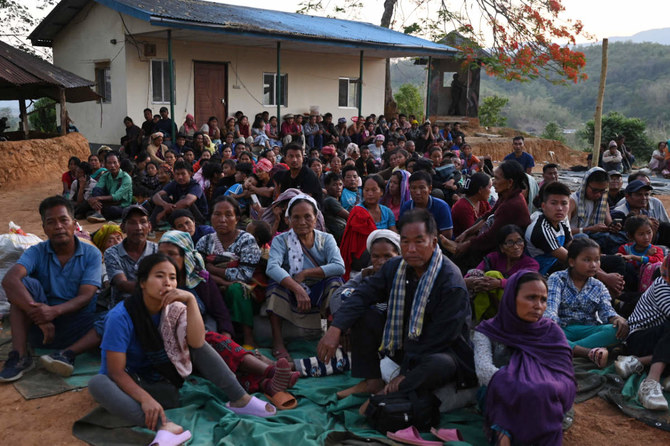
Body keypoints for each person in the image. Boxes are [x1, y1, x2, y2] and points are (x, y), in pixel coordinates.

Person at [87, 254, 276, 446]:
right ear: (142, 282)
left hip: (167, 381)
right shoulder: (120, 317)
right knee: (98, 383)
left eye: (172, 277)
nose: (167, 283)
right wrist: (145, 399)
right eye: (159, 276)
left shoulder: (175, 308)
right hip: (132, 385)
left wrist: (191, 301)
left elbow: (197, 342)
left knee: (200, 345)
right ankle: (165, 427)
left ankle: (240, 399)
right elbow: (116, 372)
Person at [319, 209, 475, 405]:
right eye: (405, 242)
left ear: (434, 243)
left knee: (439, 364)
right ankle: (373, 381)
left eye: (419, 241)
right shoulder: (396, 267)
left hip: (439, 349)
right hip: (406, 344)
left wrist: (406, 372)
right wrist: (336, 328)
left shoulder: (450, 281)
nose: (410, 249)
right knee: (365, 315)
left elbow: (442, 337)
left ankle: (391, 394)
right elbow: (364, 293)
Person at [0, 196, 101, 382]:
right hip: (43, 332)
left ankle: (66, 354)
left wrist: (53, 312)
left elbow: (87, 295)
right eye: (51, 222)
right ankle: (20, 356)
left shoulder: (91, 253)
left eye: (64, 220)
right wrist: (41, 317)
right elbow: (9, 279)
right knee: (22, 287)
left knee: (118, 313)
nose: (58, 226)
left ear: (74, 224)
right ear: (44, 228)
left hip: (80, 329)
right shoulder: (36, 251)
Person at [473, 271, 576, 445]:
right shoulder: (487, 331)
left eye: (543, 300)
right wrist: (521, 386)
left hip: (544, 395)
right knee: (526, 394)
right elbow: (483, 372)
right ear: (511, 298)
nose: (538, 306)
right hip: (499, 393)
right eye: (531, 298)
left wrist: (534, 387)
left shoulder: (551, 331)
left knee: (540, 392)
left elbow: (565, 376)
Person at [266, 195, 344, 362]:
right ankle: (278, 342)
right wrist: (297, 287)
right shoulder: (281, 240)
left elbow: (339, 266)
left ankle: (333, 337)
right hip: (293, 287)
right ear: (288, 220)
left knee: (335, 282)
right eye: (296, 217)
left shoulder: (326, 239)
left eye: (307, 216)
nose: (302, 222)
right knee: (274, 285)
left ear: (316, 218)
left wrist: (307, 273)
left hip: (317, 287)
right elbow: (272, 267)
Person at [546, 238, 629, 368]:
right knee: (545, 330)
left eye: (597, 260)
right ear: (572, 261)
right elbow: (551, 308)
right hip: (562, 328)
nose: (593, 265)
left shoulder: (599, 286)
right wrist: (551, 326)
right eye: (587, 260)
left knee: (616, 330)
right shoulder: (557, 278)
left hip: (587, 329)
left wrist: (617, 318)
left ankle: (565, 348)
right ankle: (587, 352)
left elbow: (606, 310)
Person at [197, 197, 261, 347]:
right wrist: (223, 280)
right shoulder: (204, 241)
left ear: (237, 218)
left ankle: (248, 337)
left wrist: (213, 269)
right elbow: (198, 272)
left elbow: (245, 275)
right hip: (213, 287)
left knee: (237, 288)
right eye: (217, 214)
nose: (222, 219)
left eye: (228, 215)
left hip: (243, 291)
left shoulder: (246, 240)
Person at [446, 160, 530, 271]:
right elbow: (488, 215)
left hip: (509, 247)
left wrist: (466, 245)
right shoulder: (505, 196)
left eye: (497, 179)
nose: (494, 182)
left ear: (510, 182)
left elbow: (492, 237)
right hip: (499, 238)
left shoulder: (512, 204)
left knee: (464, 256)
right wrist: (466, 233)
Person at [614, 255, 670, 411]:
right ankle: (651, 382)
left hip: (659, 344)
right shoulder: (662, 286)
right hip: (637, 338)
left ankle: (638, 362)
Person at [158, 231, 234, 336]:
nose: (165, 259)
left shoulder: (201, 279)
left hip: (203, 329)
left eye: (171, 254)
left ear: (185, 256)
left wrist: (226, 339)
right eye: (161, 254)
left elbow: (220, 312)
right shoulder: (156, 282)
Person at [465, 225, 539, 322]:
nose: (516, 246)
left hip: (515, 308)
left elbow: (526, 284)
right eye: (510, 242)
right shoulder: (493, 258)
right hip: (490, 306)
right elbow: (474, 273)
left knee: (493, 275)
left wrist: (499, 283)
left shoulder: (531, 264)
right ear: (502, 247)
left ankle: (475, 320)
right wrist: (476, 282)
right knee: (482, 278)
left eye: (519, 241)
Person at [104, 205, 158, 308]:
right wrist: (157, 287)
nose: (138, 228)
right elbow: (122, 284)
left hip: (153, 306)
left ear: (149, 226)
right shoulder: (112, 253)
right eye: (132, 223)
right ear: (122, 228)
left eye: (143, 222)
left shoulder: (158, 250)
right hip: (123, 307)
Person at [568, 167, 623, 255]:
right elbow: (564, 232)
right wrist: (589, 229)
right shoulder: (572, 201)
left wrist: (614, 227)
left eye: (602, 191)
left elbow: (609, 224)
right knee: (583, 237)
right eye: (594, 190)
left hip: (595, 238)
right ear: (585, 185)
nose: (598, 194)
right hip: (575, 240)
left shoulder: (603, 202)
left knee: (619, 237)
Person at [525, 181, 573, 275]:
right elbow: (569, 259)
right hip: (536, 275)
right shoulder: (541, 228)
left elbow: (573, 246)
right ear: (543, 206)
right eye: (554, 203)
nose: (559, 208)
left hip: (553, 266)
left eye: (564, 203)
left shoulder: (560, 224)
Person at [399, 170, 453, 239]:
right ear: (409, 189)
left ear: (430, 189)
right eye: (413, 188)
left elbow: (447, 235)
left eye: (422, 188)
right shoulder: (406, 207)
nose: (417, 192)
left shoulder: (442, 207)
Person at [152, 160, 208, 226]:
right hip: (179, 213)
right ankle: (152, 225)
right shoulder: (174, 184)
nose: (180, 177)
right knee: (164, 198)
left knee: (183, 198)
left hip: (197, 218)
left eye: (183, 174)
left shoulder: (195, 186)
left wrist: (164, 212)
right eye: (177, 174)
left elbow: (187, 202)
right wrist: (165, 205)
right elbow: (156, 196)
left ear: (190, 174)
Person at [617, 216, 665, 292]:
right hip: (630, 285)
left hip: (649, 288)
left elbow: (658, 261)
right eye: (641, 234)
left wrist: (634, 257)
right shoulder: (624, 249)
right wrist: (646, 256)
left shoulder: (656, 250)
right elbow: (627, 266)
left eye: (649, 232)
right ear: (631, 236)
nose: (646, 237)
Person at [85, 152, 133, 223]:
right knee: (96, 190)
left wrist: (98, 198)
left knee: (112, 210)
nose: (112, 166)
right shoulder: (105, 175)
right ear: (105, 165)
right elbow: (97, 189)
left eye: (114, 162)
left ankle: (97, 212)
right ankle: (98, 213)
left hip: (121, 206)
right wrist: (93, 199)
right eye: (109, 163)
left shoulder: (126, 178)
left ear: (119, 163)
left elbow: (117, 196)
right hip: (108, 202)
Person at [451, 172, 492, 238]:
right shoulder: (463, 207)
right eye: (489, 188)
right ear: (480, 190)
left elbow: (491, 217)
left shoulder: (482, 202)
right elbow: (472, 234)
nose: (491, 191)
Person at [322, 172, 348, 244]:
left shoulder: (334, 199)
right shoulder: (330, 200)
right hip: (339, 235)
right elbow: (349, 216)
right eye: (334, 185)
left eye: (340, 184)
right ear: (327, 187)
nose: (338, 187)